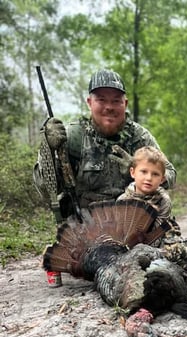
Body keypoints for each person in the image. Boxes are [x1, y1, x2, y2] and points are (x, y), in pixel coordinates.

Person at [34, 69, 177, 286]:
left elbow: (171, 175)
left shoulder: (140, 137)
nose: (109, 106)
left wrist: (139, 170)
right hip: (91, 230)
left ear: (125, 104)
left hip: (134, 228)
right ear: (89, 102)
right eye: (101, 99)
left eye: (116, 100)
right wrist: (48, 150)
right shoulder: (73, 136)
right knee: (112, 271)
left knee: (177, 258)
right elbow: (45, 189)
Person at [117, 146, 187, 269]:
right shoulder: (123, 200)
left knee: (180, 250)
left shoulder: (163, 200)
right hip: (129, 244)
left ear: (162, 179)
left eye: (155, 174)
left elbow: (157, 236)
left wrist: (145, 250)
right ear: (132, 172)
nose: (149, 178)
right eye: (143, 172)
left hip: (158, 241)